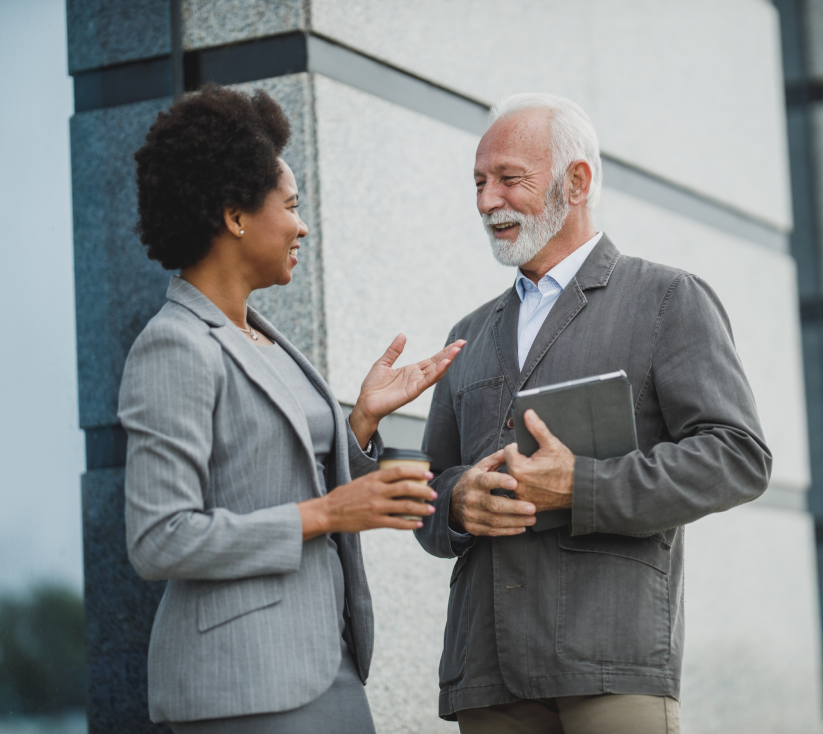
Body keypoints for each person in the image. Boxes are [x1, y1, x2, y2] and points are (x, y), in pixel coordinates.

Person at [415, 92, 771, 734]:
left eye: (508, 179)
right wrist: (457, 503)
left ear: (575, 181)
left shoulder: (666, 299)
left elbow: (737, 456)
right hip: (486, 673)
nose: (486, 201)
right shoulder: (466, 334)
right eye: (478, 182)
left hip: (611, 662)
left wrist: (580, 486)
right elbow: (430, 492)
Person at [118, 83, 464, 734]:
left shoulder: (263, 336)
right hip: (240, 688)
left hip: (321, 662)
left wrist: (359, 422)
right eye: (292, 206)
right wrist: (325, 513)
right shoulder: (174, 345)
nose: (302, 224)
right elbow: (158, 539)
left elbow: (280, 475)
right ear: (235, 216)